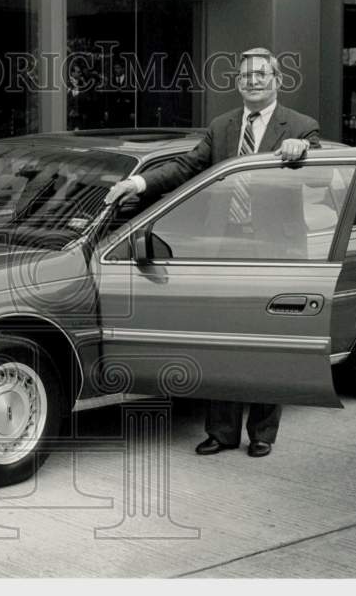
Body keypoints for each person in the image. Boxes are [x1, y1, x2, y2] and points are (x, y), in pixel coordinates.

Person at [103, 47, 321, 458]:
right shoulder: (222, 127)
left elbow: (318, 165)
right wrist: (137, 185)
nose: (252, 81)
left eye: (261, 74)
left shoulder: (302, 127)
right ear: (237, 83)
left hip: (274, 252)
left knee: (267, 343)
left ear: (276, 80)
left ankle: (262, 433)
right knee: (221, 341)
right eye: (245, 76)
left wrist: (302, 150)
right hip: (223, 250)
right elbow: (185, 167)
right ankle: (221, 433)